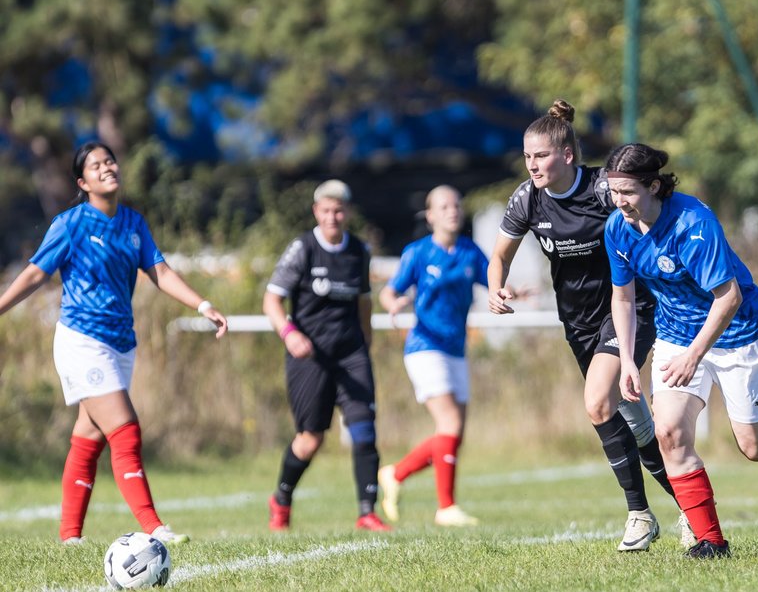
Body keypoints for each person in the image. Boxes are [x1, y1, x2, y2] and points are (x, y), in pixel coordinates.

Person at [604, 142, 758, 559]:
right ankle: (711, 542)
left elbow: (728, 297)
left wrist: (695, 355)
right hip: (677, 336)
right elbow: (622, 298)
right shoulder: (618, 229)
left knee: (755, 446)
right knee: (669, 432)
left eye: (627, 192)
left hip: (739, 335)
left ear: (654, 186)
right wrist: (627, 360)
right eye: (613, 191)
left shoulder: (693, 225)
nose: (618, 201)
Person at [0, 141, 228, 544]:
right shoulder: (70, 224)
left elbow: (160, 271)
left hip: (122, 344)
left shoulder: (133, 223)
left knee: (89, 438)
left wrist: (202, 304)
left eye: (110, 161)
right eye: (96, 165)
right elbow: (36, 274)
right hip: (82, 341)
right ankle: (155, 528)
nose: (107, 167)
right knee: (125, 429)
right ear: (82, 181)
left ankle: (69, 538)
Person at [488, 100, 680, 552]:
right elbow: (499, 255)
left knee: (597, 403)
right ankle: (692, 509)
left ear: (567, 156)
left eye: (541, 156)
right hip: (578, 324)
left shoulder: (600, 191)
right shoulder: (526, 199)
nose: (532, 165)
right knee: (634, 423)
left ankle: (639, 514)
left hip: (631, 311)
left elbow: (651, 219)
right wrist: (496, 286)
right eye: (527, 156)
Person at [263, 179, 391, 533]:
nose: (332, 217)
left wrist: (366, 342)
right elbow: (272, 301)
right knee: (310, 439)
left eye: (338, 211)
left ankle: (367, 511)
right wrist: (289, 334)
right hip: (310, 357)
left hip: (351, 354)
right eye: (326, 211)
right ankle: (282, 498)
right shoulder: (303, 249)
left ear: (347, 213)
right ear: (316, 212)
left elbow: (364, 303)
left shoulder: (358, 252)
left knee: (364, 429)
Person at [377, 185, 487, 527]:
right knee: (449, 424)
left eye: (456, 204)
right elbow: (389, 291)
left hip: (456, 349)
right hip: (424, 347)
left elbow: (492, 281)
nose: (453, 211)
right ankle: (446, 508)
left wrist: (511, 291)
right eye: (444, 206)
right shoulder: (418, 252)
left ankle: (396, 473)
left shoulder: (470, 251)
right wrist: (393, 303)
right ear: (430, 216)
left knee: (453, 434)